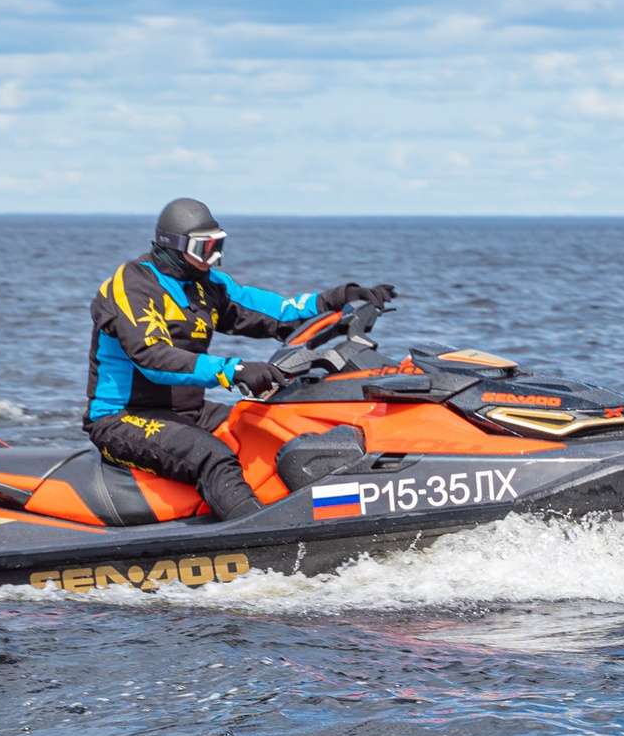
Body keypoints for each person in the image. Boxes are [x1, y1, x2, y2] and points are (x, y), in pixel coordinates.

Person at [87, 198, 396, 518]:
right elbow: (153, 358)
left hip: (187, 412)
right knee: (211, 457)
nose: (213, 258)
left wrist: (340, 297)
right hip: (121, 418)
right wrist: (233, 370)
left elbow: (279, 313)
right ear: (175, 246)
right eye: (204, 249)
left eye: (217, 246)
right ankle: (261, 536)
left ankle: (336, 510)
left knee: (266, 426)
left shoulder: (208, 286)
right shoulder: (132, 286)